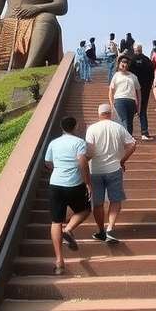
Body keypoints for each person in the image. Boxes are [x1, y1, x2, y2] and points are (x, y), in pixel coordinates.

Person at [44, 116, 92, 275]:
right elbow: (82, 162)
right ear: (76, 126)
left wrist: (57, 169)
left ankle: (59, 262)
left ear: (62, 127)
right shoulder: (79, 142)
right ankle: (69, 229)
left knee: (56, 221)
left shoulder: (53, 143)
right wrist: (88, 182)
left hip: (55, 184)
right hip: (74, 184)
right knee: (85, 210)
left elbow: (48, 162)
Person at [85, 103, 137, 243]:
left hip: (95, 170)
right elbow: (133, 144)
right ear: (110, 114)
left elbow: (89, 151)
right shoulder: (118, 127)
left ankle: (101, 230)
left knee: (98, 203)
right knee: (115, 200)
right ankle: (110, 228)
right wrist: (122, 160)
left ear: (99, 114)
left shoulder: (92, 129)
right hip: (114, 169)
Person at [109, 56, 141, 136]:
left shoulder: (133, 77)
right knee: (124, 120)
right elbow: (111, 90)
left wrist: (139, 106)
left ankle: (128, 138)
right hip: (119, 100)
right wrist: (111, 103)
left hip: (131, 101)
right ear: (119, 64)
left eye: (126, 62)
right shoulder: (116, 75)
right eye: (122, 62)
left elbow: (138, 92)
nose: (124, 64)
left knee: (129, 121)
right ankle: (127, 138)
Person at [130, 43, 156, 141]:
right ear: (141, 49)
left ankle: (129, 134)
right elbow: (152, 75)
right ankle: (144, 132)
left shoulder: (131, 60)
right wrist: (149, 86)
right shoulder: (147, 61)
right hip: (144, 90)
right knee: (143, 111)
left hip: (133, 90)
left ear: (134, 49)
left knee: (131, 112)